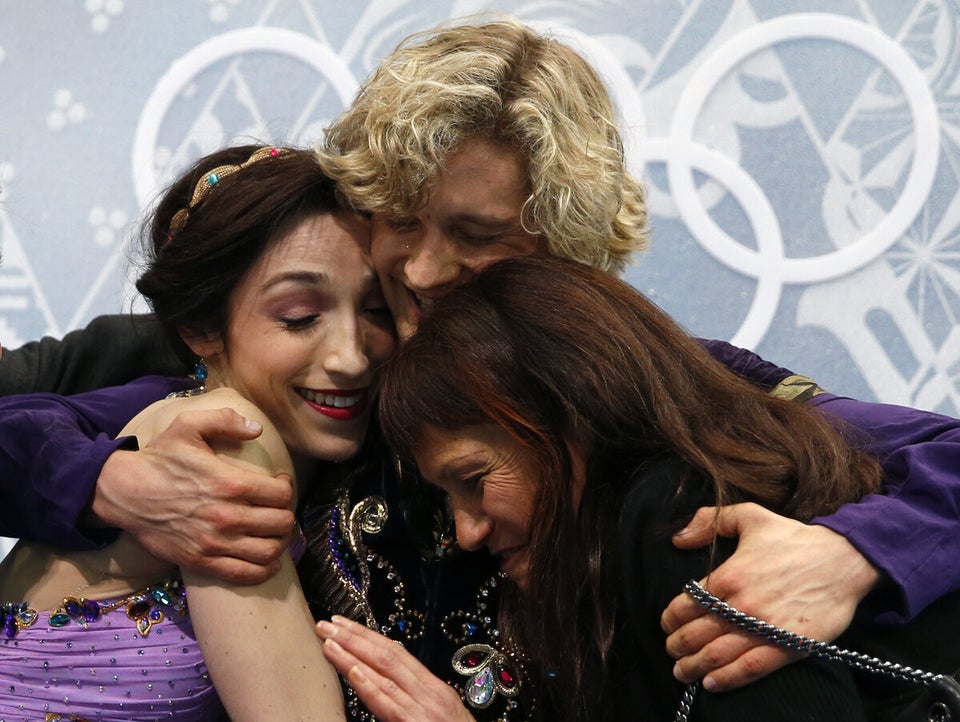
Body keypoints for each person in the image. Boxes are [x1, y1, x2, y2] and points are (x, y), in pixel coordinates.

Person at [1, 15, 960, 710]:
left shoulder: (646, 384)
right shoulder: (308, 370)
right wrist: (106, 483)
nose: (421, 271)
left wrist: (858, 553)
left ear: (561, 247)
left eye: (476, 235)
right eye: (401, 222)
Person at [316, 255, 960, 722]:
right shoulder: (620, 550)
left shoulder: (678, 516)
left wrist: (855, 553)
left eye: (475, 480)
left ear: (571, 413)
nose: (466, 531)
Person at [0, 144, 396, 720]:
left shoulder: (393, 431)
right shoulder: (226, 433)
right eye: (299, 316)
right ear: (199, 329)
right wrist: (103, 479)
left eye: (378, 310)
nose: (352, 357)